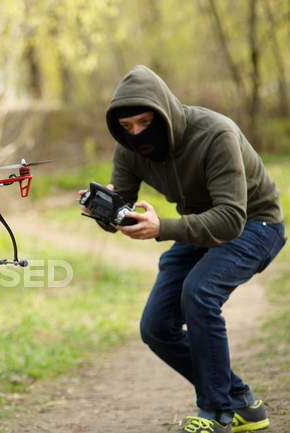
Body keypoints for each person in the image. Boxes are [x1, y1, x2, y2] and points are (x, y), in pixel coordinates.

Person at [82, 65, 285, 433]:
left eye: (145, 121)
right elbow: (123, 206)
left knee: (200, 292)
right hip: (198, 224)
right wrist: (105, 211)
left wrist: (163, 228)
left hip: (256, 223)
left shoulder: (215, 133)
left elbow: (229, 220)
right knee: (157, 326)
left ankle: (218, 414)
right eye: (126, 127)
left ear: (164, 112)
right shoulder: (129, 149)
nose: (137, 133)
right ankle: (242, 403)